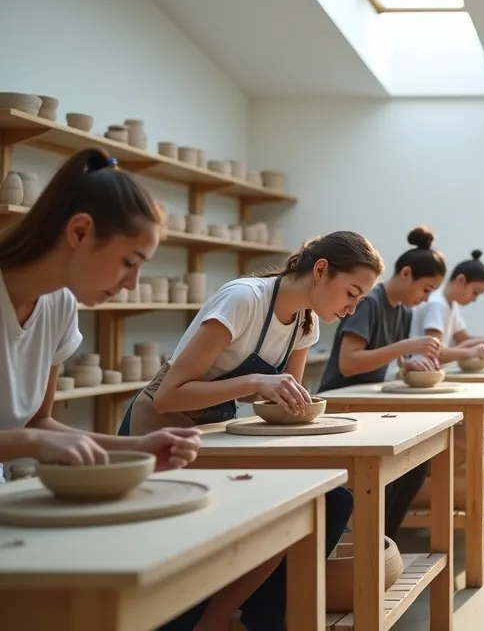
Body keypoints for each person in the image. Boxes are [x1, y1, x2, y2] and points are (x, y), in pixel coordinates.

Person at [119, 230, 384, 631]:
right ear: (321, 270)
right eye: (351, 293)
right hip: (160, 436)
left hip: (215, 437)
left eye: (359, 300)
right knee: (200, 548)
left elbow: (287, 405)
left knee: (330, 503)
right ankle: (197, 621)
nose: (351, 308)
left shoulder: (305, 325)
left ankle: (259, 618)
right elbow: (169, 397)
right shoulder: (244, 299)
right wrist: (255, 383)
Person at [0, 148, 200, 470]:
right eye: (128, 262)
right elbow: (32, 436)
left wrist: (138, 448)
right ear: (80, 232)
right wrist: (32, 443)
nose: (132, 284)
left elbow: (37, 423)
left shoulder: (60, 304)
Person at [318, 226, 446, 539]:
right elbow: (349, 363)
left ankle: (380, 542)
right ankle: (368, 545)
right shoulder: (370, 302)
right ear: (406, 274)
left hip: (367, 402)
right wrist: (406, 348)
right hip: (339, 403)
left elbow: (390, 357)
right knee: (394, 466)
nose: (426, 298)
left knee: (416, 465)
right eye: (426, 289)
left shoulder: (401, 310)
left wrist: (411, 362)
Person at [411, 249, 484, 450]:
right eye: (475, 292)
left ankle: (466, 469)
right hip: (418, 379)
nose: (475, 298)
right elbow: (434, 353)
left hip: (430, 377)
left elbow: (464, 339)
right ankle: (462, 471)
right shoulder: (437, 305)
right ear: (461, 280)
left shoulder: (451, 304)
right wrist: (471, 351)